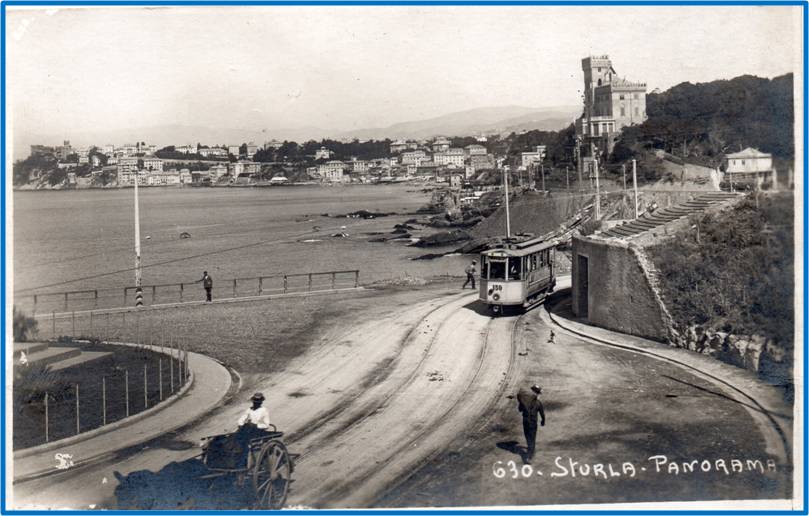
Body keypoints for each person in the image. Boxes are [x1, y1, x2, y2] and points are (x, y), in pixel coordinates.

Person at [516, 384, 545, 463]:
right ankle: (529, 455)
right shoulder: (538, 403)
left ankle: (530, 450)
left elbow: (520, 409)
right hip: (533, 423)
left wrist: (521, 403)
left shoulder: (524, 402)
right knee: (532, 438)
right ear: (537, 394)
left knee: (528, 437)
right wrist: (543, 421)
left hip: (525, 422)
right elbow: (542, 413)